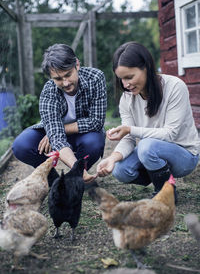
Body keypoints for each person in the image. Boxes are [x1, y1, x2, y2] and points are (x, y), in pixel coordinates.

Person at [97, 41, 200, 202]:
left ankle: (166, 193)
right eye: (121, 79)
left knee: (146, 146)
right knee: (120, 170)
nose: (125, 84)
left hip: (185, 155)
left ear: (146, 68)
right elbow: (129, 138)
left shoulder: (174, 87)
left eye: (129, 77)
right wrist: (112, 158)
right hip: (152, 151)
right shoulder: (127, 98)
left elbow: (170, 134)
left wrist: (130, 129)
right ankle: (162, 177)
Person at [13, 44, 107, 186]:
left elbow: (96, 122)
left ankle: (75, 178)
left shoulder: (96, 78)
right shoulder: (48, 92)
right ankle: (53, 178)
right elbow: (56, 137)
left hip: (83, 133)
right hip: (52, 132)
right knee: (21, 145)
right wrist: (53, 133)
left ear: (77, 64)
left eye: (68, 74)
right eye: (58, 79)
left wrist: (57, 131)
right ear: (51, 77)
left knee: (94, 142)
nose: (66, 83)